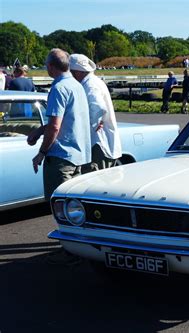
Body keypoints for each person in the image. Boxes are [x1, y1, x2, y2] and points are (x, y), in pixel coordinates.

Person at [27, 48, 91, 265]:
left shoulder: (58, 88)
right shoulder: (76, 85)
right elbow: (64, 121)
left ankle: (72, 252)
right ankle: (79, 249)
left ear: (51, 67)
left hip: (62, 155)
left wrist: (41, 152)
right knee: (75, 206)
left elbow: (55, 126)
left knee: (61, 206)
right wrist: (39, 130)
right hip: (79, 154)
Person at [69, 53, 122, 172]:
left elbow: (97, 107)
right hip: (99, 143)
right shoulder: (93, 81)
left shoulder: (90, 85)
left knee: (95, 182)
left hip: (97, 144)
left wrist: (87, 127)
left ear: (77, 71)